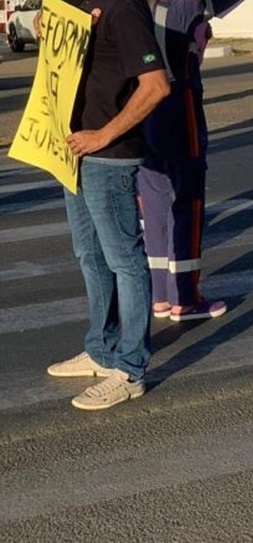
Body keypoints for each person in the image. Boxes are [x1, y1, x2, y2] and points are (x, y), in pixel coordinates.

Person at [45, 0, 170, 410]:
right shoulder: (78, 7)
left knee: (124, 261)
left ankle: (130, 369)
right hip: (76, 153)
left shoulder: (123, 8)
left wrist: (102, 135)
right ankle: (101, 349)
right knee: (89, 255)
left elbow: (156, 86)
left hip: (109, 157)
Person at [137, 0, 240, 323]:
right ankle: (184, 297)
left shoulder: (138, 7)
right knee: (187, 201)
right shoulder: (185, 4)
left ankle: (160, 295)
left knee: (152, 202)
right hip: (179, 104)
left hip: (141, 108)